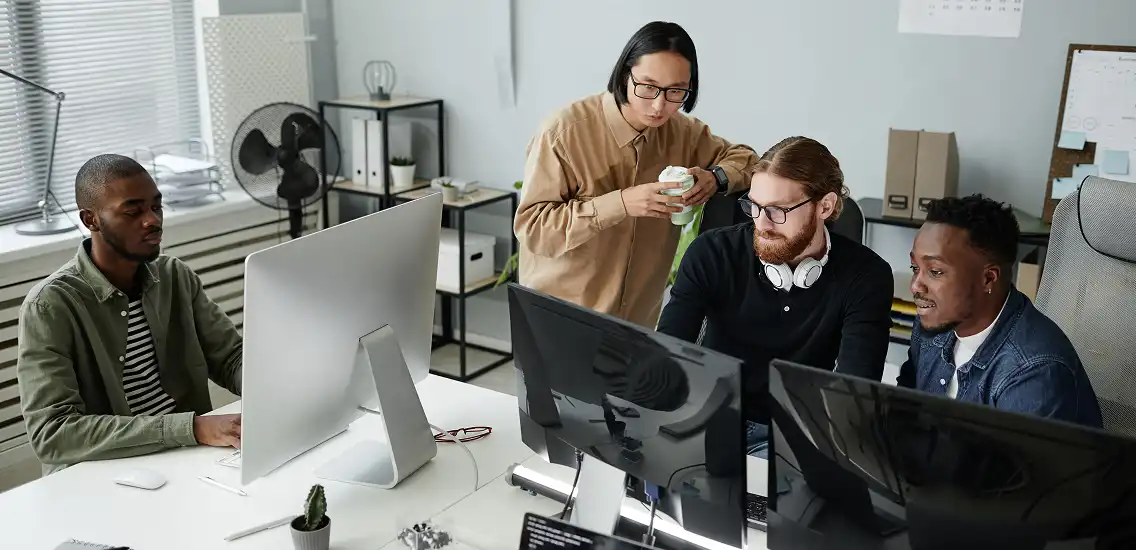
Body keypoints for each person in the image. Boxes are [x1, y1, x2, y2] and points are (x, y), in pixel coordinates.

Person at [656, 137, 894, 456]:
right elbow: (667, 355)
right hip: (712, 423)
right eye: (753, 206)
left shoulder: (866, 276)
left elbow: (854, 396)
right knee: (662, 488)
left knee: (759, 505)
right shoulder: (711, 252)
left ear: (824, 206)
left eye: (777, 211)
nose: (761, 223)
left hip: (798, 438)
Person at [514, 21, 758, 328]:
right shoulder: (563, 133)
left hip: (638, 324)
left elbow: (748, 160)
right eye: (648, 86)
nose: (659, 105)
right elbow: (534, 230)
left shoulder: (682, 132)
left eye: (675, 91)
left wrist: (716, 177)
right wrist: (621, 204)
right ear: (624, 73)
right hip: (560, 322)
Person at [17, 154, 244, 474]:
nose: (153, 220)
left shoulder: (174, 276)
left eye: (156, 206)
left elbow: (231, 357)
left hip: (188, 456)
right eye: (133, 211)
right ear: (90, 219)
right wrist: (191, 429)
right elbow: (53, 433)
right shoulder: (50, 306)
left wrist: (281, 384)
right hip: (105, 474)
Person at [898, 194, 1102, 427]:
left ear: (988, 278)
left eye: (935, 271)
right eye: (915, 267)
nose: (915, 285)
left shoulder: (1034, 374)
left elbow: (1012, 464)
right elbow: (903, 414)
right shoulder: (935, 323)